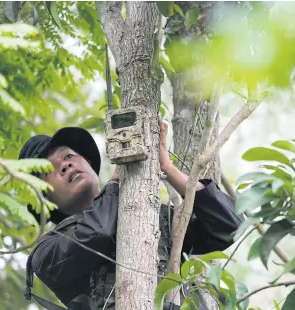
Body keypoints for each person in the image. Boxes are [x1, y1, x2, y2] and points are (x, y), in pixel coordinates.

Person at [20, 119, 243, 310]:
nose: (66, 165)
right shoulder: (46, 252)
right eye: (50, 170)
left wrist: (167, 168)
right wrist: (118, 181)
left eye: (68, 155)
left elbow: (230, 226)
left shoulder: (155, 214)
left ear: (87, 162)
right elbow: (97, 233)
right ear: (44, 198)